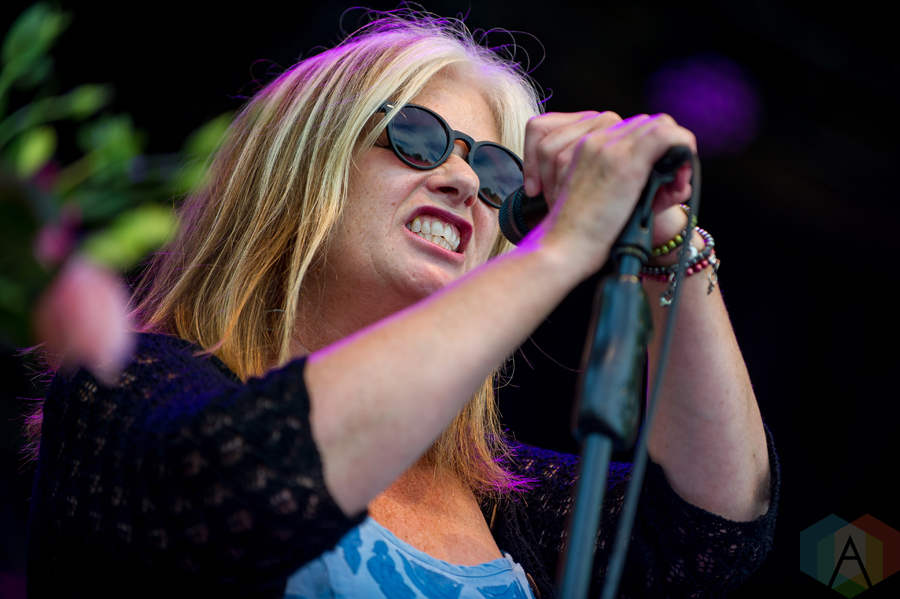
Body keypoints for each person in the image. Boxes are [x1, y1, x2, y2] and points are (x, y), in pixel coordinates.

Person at [24, 10, 778, 599]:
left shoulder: (503, 502)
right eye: (416, 138)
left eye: (497, 173)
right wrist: (561, 247)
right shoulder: (124, 385)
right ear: (300, 169)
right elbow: (232, 489)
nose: (463, 181)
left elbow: (710, 531)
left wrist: (666, 239)